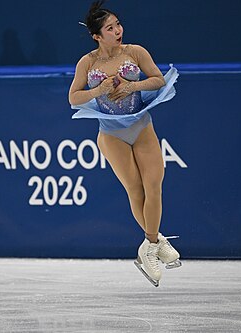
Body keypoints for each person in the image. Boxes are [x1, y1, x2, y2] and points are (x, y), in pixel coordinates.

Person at [68, 1, 181, 287]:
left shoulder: (135, 51)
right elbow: (73, 98)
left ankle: (149, 245)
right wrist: (99, 90)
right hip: (111, 134)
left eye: (118, 25)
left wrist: (133, 86)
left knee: (154, 184)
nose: (118, 30)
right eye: (110, 28)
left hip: (140, 126)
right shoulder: (88, 62)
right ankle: (156, 242)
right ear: (97, 35)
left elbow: (157, 79)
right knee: (135, 188)